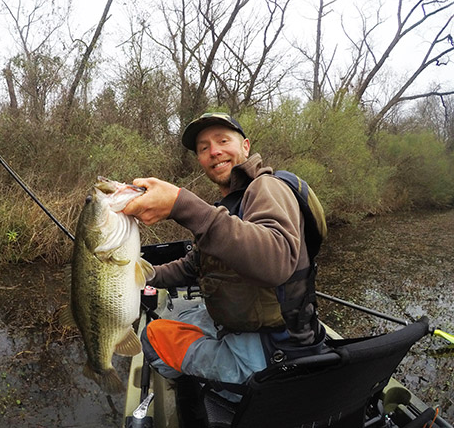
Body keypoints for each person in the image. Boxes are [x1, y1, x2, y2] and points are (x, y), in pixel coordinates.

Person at [123, 112, 324, 389]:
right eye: (204, 148)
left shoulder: (268, 188)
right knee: (176, 316)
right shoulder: (231, 206)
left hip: (273, 352)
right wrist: (138, 276)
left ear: (245, 146)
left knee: (151, 337)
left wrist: (182, 205)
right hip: (240, 328)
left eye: (222, 140)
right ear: (200, 160)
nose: (214, 152)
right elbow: (192, 267)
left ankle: (213, 397)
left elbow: (276, 261)